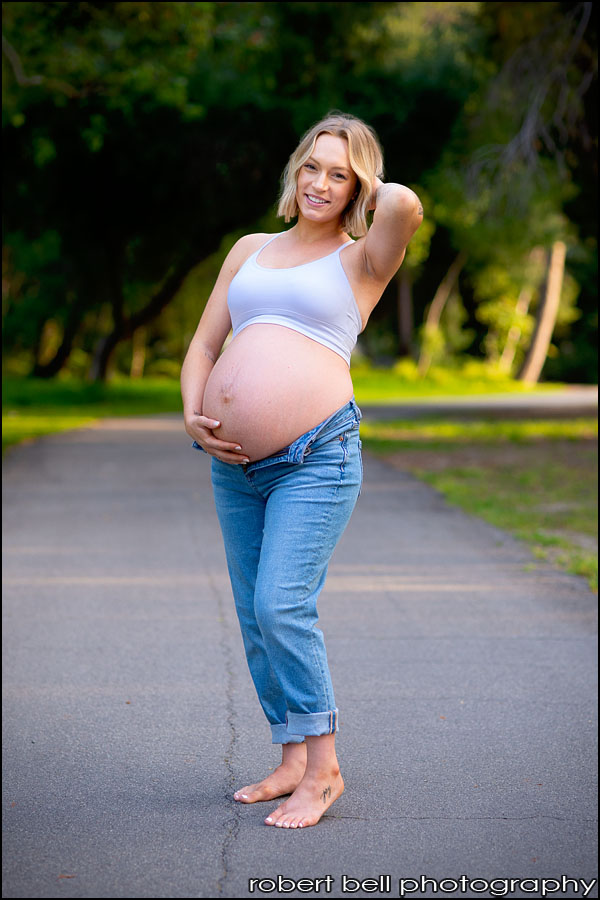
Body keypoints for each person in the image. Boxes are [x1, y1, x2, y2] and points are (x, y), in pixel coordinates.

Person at [181, 111, 423, 829]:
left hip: (316, 459)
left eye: (339, 173)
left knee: (281, 605)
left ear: (358, 187)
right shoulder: (249, 249)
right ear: (295, 170)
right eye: (312, 166)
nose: (321, 182)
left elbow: (406, 205)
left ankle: (324, 771)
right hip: (234, 466)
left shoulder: (363, 260)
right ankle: (289, 756)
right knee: (256, 617)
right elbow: (202, 345)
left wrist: (374, 184)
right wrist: (194, 412)